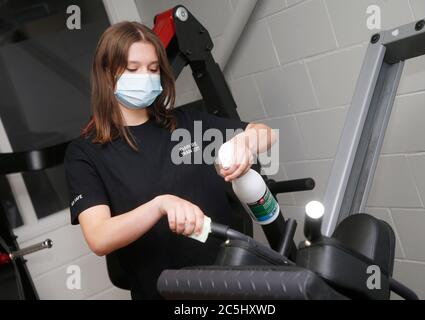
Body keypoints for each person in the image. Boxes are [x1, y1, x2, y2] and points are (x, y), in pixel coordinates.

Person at [63, 21, 277, 300]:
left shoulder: (187, 125)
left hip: (233, 284)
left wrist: (244, 143)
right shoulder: (86, 154)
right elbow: (99, 237)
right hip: (165, 293)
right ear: (106, 73)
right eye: (132, 68)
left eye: (153, 69)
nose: (146, 76)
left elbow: (265, 133)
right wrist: (160, 205)